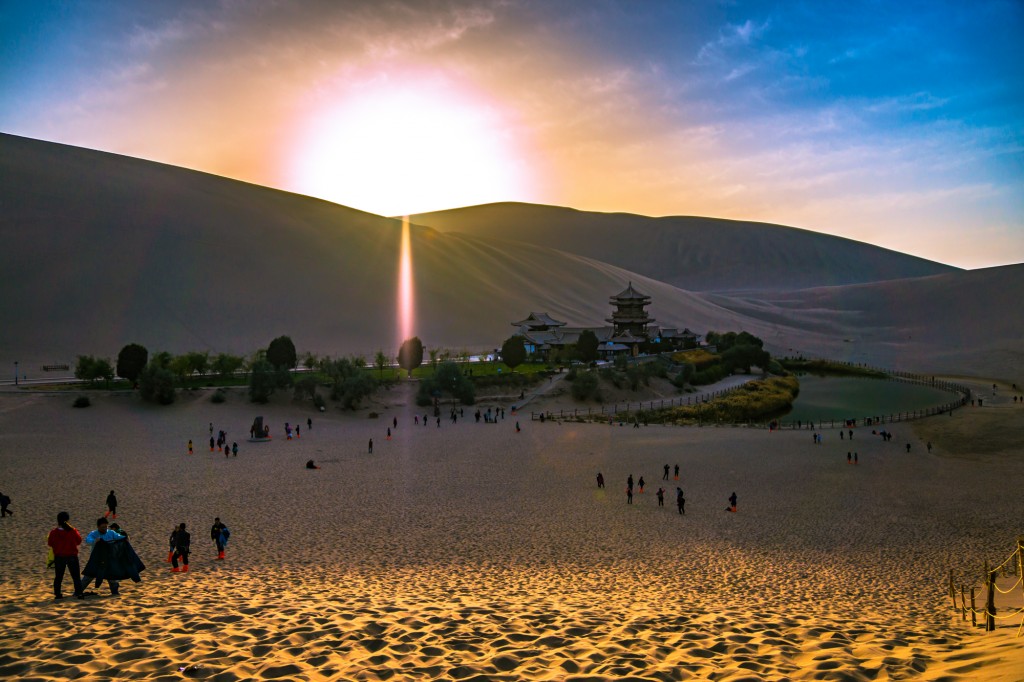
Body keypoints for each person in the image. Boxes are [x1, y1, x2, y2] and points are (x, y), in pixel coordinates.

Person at [83, 517, 136, 596]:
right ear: (98, 527)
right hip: (97, 559)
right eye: (102, 527)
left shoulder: (111, 533)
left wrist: (126, 538)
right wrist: (95, 541)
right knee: (88, 576)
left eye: (106, 527)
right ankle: (77, 592)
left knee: (112, 578)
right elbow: (87, 540)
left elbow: (120, 537)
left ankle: (115, 593)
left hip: (110, 559)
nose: (104, 529)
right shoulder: (93, 534)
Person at [48, 511, 88, 599]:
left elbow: (50, 543)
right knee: (76, 577)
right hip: (72, 556)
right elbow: (79, 541)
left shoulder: (54, 532)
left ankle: (57, 594)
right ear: (68, 520)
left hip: (59, 556)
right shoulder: (73, 531)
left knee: (58, 577)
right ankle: (79, 593)